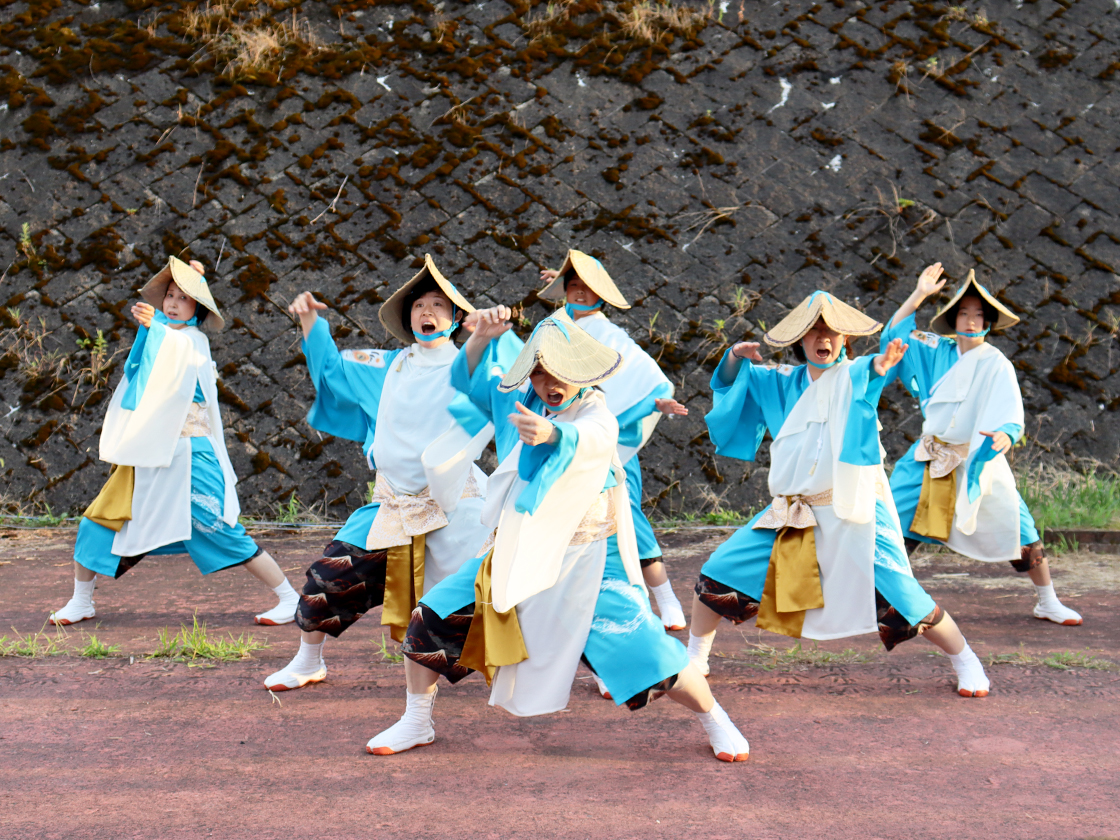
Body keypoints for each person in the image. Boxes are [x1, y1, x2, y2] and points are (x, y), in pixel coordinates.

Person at [365, 309, 751, 762]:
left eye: (559, 371)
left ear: (581, 371)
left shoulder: (596, 413)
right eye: (540, 371)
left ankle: (715, 717)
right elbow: (468, 383)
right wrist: (480, 339)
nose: (549, 382)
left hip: (588, 561)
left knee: (650, 659)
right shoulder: (518, 399)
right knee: (431, 617)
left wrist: (551, 433)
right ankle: (417, 720)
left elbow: (591, 438)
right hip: (517, 554)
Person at [687, 290, 992, 698]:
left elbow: (867, 376)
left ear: (844, 339)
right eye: (814, 330)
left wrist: (880, 366)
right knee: (720, 571)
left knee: (903, 597)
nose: (823, 338)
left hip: (854, 506)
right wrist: (733, 358)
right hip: (794, 511)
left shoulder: (853, 375)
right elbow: (731, 386)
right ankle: (695, 656)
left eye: (831, 331)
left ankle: (965, 659)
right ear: (801, 340)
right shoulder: (779, 381)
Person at [263, 256, 497, 691]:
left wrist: (486, 335)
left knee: (489, 594)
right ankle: (308, 661)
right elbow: (332, 372)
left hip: (455, 504)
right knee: (330, 577)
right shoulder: (386, 365)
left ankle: (602, 668)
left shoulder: (470, 365)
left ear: (455, 319)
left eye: (438, 305)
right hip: (393, 504)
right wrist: (311, 322)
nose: (426, 312)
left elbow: (494, 378)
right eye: (419, 305)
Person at [49, 257, 298, 627]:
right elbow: (143, 368)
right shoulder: (163, 335)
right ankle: (81, 600)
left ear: (198, 309)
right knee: (97, 522)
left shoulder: (193, 342)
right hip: (148, 455)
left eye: (184, 298)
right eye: (169, 295)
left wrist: (156, 327)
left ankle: (291, 598)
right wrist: (153, 328)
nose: (173, 303)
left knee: (220, 529)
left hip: (191, 453)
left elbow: (175, 351)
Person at [881, 264, 1081, 626]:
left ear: (987, 322)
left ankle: (1048, 601)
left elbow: (1010, 413)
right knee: (891, 526)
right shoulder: (934, 348)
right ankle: (886, 602)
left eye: (978, 314)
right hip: (929, 456)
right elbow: (896, 334)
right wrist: (920, 293)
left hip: (976, 458)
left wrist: (1005, 434)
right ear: (953, 318)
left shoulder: (996, 363)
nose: (971, 320)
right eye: (964, 313)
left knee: (1020, 529)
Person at [537, 250, 688, 631]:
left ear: (601, 295)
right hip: (564, 439)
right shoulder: (556, 328)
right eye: (572, 286)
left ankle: (665, 597)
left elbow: (647, 378)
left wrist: (655, 402)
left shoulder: (609, 334)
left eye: (587, 288)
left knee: (627, 518)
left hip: (606, 445)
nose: (579, 293)